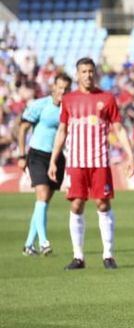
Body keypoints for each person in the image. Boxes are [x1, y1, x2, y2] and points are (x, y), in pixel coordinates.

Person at [48, 57, 134, 270]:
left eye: (90, 71)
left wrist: (130, 155)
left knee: (103, 204)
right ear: (77, 75)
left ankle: (108, 255)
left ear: (94, 73)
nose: (87, 75)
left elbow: (119, 128)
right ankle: (78, 257)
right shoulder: (68, 100)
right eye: (83, 71)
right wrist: (53, 159)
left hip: (99, 161)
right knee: (76, 204)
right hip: (76, 162)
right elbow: (62, 131)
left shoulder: (106, 98)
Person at [17, 72, 72, 256]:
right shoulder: (40, 105)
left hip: (56, 158)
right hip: (37, 155)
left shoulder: (69, 109)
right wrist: (21, 154)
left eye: (66, 89)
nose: (62, 92)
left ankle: (28, 245)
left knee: (44, 201)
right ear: (53, 87)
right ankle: (44, 242)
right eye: (59, 88)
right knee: (41, 196)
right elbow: (23, 128)